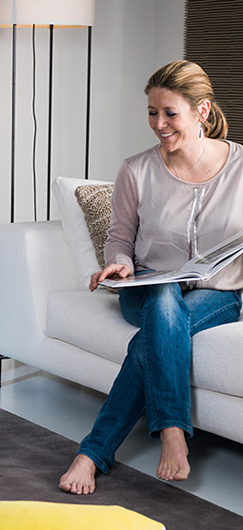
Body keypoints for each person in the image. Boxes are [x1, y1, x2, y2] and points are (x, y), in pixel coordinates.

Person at [59, 60, 243, 495]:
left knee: (151, 340)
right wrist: (120, 262)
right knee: (162, 296)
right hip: (145, 287)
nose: (159, 124)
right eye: (152, 112)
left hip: (219, 292)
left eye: (170, 113)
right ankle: (173, 432)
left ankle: (92, 454)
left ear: (201, 111)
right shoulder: (136, 170)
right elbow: (120, 238)